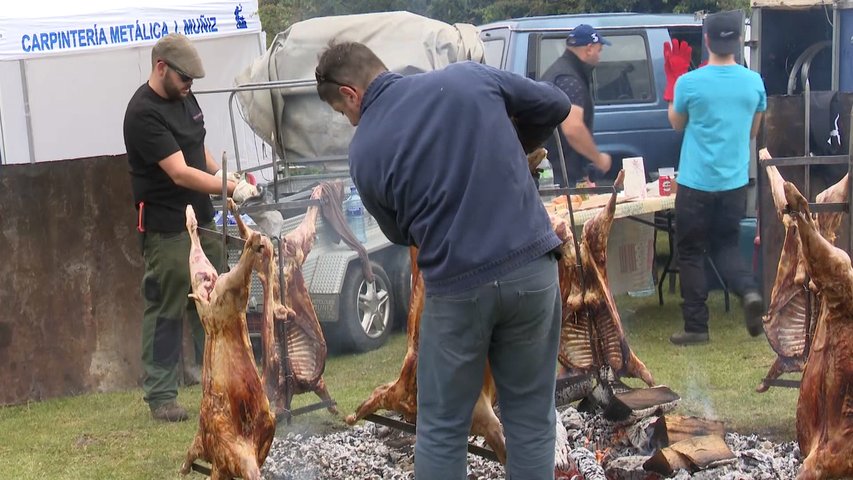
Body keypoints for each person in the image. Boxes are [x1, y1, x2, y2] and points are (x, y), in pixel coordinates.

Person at [315, 42, 570, 478]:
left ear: (350, 93)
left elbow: (399, 233)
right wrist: (516, 144)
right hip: (531, 270)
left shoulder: (365, 151)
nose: (349, 120)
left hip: (457, 291)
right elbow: (557, 104)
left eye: (343, 111)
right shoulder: (468, 77)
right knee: (531, 418)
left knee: (441, 429)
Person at [123, 33, 258, 421]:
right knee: (167, 309)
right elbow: (180, 172)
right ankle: (161, 396)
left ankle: (218, 381)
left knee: (214, 303)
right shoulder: (142, 113)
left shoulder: (185, 97)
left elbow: (199, 153)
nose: (189, 86)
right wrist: (229, 187)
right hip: (167, 229)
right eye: (184, 78)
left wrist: (230, 178)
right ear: (161, 67)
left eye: (193, 81)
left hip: (204, 220)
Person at [664, 11, 766, 345]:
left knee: (691, 251)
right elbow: (753, 132)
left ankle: (696, 327)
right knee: (726, 246)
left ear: (706, 40)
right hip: (734, 184)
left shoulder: (689, 83)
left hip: (695, 184)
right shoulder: (754, 83)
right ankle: (749, 291)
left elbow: (677, 125)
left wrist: (673, 82)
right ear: (738, 41)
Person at [541, 24, 613, 187]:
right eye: (599, 50)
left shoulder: (560, 71)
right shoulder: (569, 78)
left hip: (557, 171)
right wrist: (598, 159)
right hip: (559, 176)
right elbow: (573, 129)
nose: (599, 56)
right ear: (589, 48)